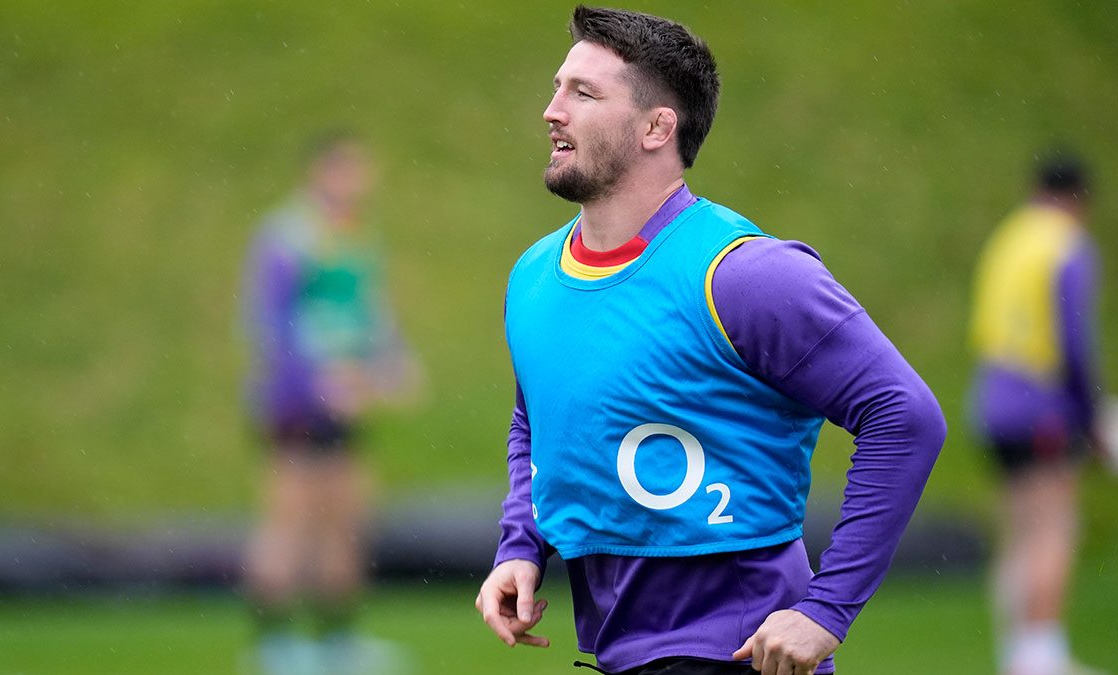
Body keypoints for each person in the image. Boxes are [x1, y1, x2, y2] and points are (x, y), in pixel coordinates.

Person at [474, 7, 946, 675]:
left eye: (583, 93)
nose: (553, 111)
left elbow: (905, 415)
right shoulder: (534, 276)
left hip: (734, 654)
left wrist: (825, 609)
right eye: (558, 87)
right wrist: (521, 544)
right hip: (620, 653)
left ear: (656, 126)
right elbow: (538, 419)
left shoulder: (746, 275)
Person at [240, 133, 420, 674]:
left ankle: (336, 642)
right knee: (289, 520)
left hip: (347, 405)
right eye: (348, 170)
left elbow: (370, 312)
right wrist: (316, 385)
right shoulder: (288, 237)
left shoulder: (358, 237)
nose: (359, 182)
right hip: (297, 406)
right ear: (320, 171)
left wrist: (392, 361)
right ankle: (272, 644)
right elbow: (271, 325)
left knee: (345, 521)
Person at [968, 154, 1106, 675]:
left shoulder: (1011, 236)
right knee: (1054, 528)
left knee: (1019, 531)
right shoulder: (1065, 243)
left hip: (993, 403)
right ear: (1078, 197)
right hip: (1041, 403)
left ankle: (1015, 654)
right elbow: (1075, 340)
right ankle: (1041, 654)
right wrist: (1093, 415)